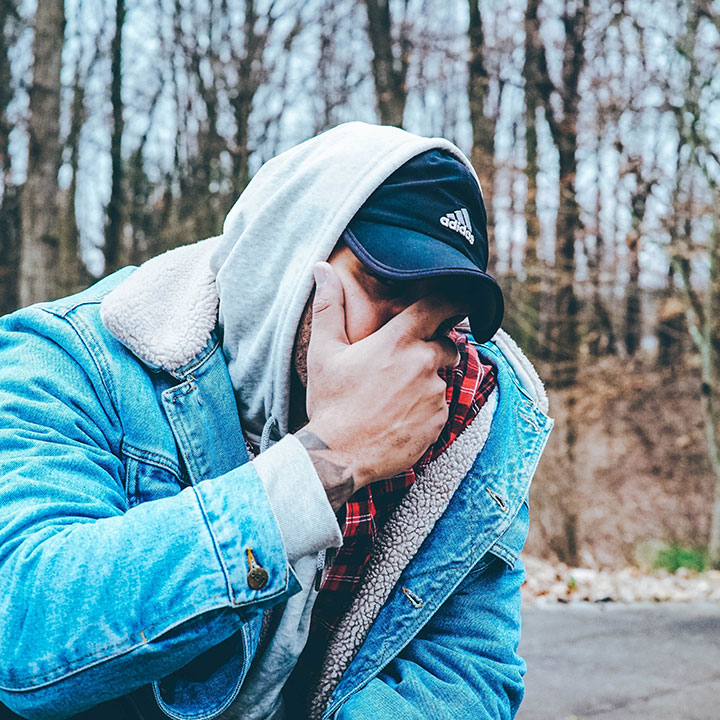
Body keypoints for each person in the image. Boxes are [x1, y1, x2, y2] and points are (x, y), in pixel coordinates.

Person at [0, 122, 553, 720]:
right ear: (286, 260)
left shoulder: (470, 416)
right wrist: (328, 459)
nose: (405, 353)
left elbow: (465, 671)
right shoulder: (67, 358)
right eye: (386, 289)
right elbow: (24, 632)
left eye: (439, 320)